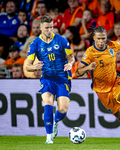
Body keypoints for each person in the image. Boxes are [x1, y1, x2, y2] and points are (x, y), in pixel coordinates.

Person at [25, 16, 75, 144]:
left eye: (51, 27)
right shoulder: (35, 44)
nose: (49, 30)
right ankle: (49, 137)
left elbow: (71, 57)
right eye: (46, 28)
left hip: (62, 77)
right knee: (48, 104)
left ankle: (56, 121)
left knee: (63, 110)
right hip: (46, 78)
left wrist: (70, 63)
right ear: (40, 28)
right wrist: (33, 67)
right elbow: (27, 66)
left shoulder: (62, 40)